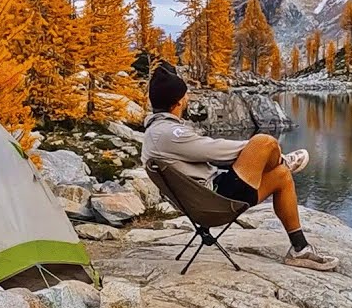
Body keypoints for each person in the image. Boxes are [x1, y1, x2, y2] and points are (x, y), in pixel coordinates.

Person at [142, 60, 339, 271]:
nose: (188, 98)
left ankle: (300, 249)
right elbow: (214, 150)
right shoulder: (170, 134)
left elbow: (208, 153)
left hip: (204, 201)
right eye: (186, 95)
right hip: (215, 201)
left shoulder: (156, 132)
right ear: (179, 101)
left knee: (281, 176)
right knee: (266, 142)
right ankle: (284, 161)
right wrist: (257, 152)